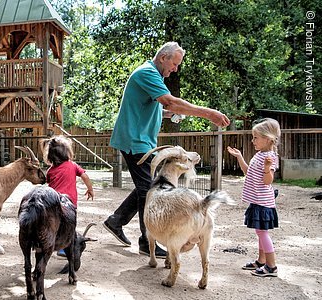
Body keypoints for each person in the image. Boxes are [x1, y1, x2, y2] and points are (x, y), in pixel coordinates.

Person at [103, 42, 230, 258]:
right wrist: (208, 114)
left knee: (146, 186)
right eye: (174, 63)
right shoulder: (147, 73)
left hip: (142, 141)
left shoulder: (153, 76)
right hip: (135, 141)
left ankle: (116, 221)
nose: (175, 69)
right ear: (163, 57)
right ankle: (146, 241)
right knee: (148, 191)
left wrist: (166, 114)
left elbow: (151, 107)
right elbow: (170, 101)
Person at [227, 118, 281, 277]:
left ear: (268, 139)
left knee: (262, 233)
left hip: (263, 202)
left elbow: (268, 181)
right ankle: (261, 261)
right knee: (260, 232)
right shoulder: (260, 154)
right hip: (257, 200)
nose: (253, 140)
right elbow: (248, 172)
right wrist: (239, 157)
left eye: (256, 137)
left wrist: (266, 168)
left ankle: (271, 267)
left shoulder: (269, 157)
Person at [42, 135, 94, 257]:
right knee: (70, 225)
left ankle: (54, 245)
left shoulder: (50, 170)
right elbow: (84, 176)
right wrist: (90, 189)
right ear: (67, 152)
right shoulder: (72, 165)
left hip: (53, 203)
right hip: (69, 203)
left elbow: (49, 183)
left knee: (55, 225)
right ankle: (65, 247)